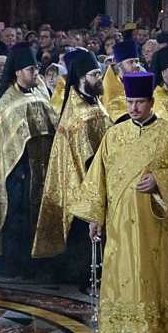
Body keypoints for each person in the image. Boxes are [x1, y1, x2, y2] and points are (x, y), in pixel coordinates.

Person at [69, 69, 168, 333]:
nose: (134, 108)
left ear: (151, 102)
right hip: (120, 226)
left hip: (157, 227)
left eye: (139, 102)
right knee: (121, 276)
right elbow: (97, 179)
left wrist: (161, 181)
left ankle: (161, 331)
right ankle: (121, 332)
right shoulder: (113, 136)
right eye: (129, 102)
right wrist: (95, 217)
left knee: (156, 276)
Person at [32, 50, 108, 289]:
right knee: (80, 234)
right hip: (81, 180)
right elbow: (80, 156)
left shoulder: (94, 102)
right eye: (95, 74)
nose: (99, 78)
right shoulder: (76, 113)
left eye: (99, 73)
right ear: (82, 78)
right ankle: (81, 275)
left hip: (99, 176)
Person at [0, 52, 58, 279]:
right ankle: (16, 263)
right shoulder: (7, 102)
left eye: (36, 69)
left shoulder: (40, 94)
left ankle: (38, 261)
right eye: (30, 70)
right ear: (17, 73)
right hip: (18, 172)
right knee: (18, 219)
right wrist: (21, 171)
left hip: (41, 169)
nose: (35, 74)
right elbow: (5, 143)